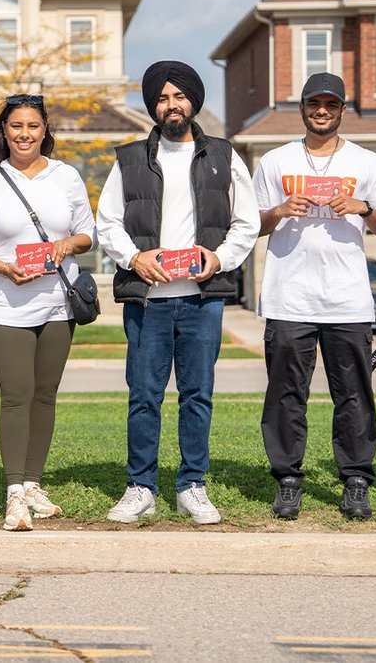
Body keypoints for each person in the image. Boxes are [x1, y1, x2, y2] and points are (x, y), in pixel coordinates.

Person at [97, 61, 258, 525]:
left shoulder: (226, 157)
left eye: (180, 96)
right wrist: (134, 259)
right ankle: (140, 487)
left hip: (202, 298)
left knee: (197, 395)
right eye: (163, 98)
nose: (172, 105)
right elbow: (107, 220)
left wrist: (220, 258)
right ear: (153, 105)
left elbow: (246, 222)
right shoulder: (128, 158)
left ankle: (192, 485)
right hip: (149, 300)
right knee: (144, 396)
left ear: (193, 101)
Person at [253, 72, 376, 521]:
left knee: (353, 393)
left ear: (341, 111)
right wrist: (278, 211)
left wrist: (363, 208)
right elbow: (251, 226)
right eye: (313, 104)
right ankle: (288, 480)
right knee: (285, 394)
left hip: (347, 298)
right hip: (288, 296)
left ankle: (356, 479)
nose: (321, 111)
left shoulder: (367, 163)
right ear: (301, 109)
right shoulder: (275, 161)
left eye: (330, 104)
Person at [0, 94, 97, 531]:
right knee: (16, 396)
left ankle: (34, 482)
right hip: (7, 301)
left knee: (45, 395)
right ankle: (14, 491)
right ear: (4, 132)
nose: (24, 133)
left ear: (44, 131)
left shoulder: (67, 176)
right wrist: (1, 266)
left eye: (32, 126)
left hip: (58, 301)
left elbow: (87, 233)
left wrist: (65, 245)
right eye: (16, 126)